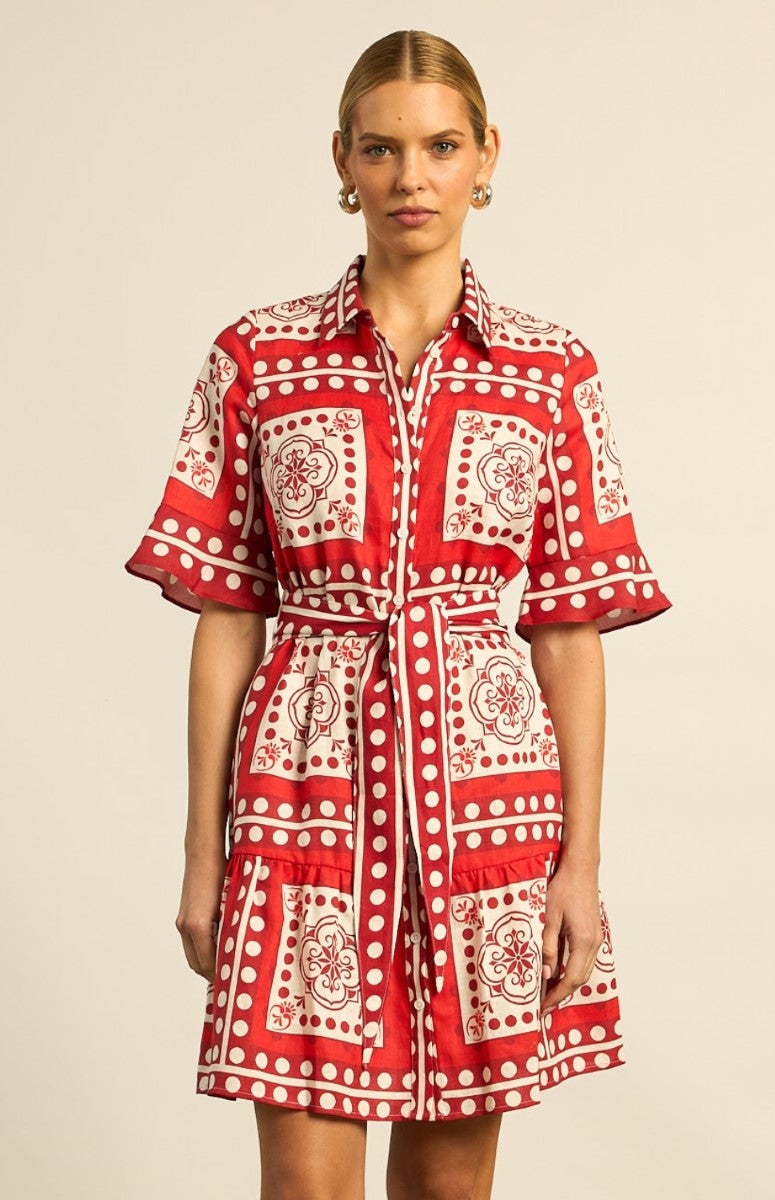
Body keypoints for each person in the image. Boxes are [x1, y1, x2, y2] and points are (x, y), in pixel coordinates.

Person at [124, 28, 672, 1200]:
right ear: (342, 161)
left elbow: (566, 630)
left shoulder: (549, 371)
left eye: (437, 147)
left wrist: (579, 862)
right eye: (381, 149)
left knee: (445, 1192)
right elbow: (224, 614)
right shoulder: (256, 357)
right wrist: (200, 855)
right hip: (303, 786)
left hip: (486, 803)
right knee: (304, 1190)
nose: (409, 178)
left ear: (484, 157)